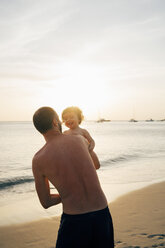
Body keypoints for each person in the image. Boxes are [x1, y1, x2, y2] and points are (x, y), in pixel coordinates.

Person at [32, 106, 114, 248]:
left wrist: (67, 194)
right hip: (102, 214)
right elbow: (96, 165)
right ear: (54, 122)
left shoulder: (38, 159)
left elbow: (45, 202)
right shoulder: (80, 140)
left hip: (75, 220)